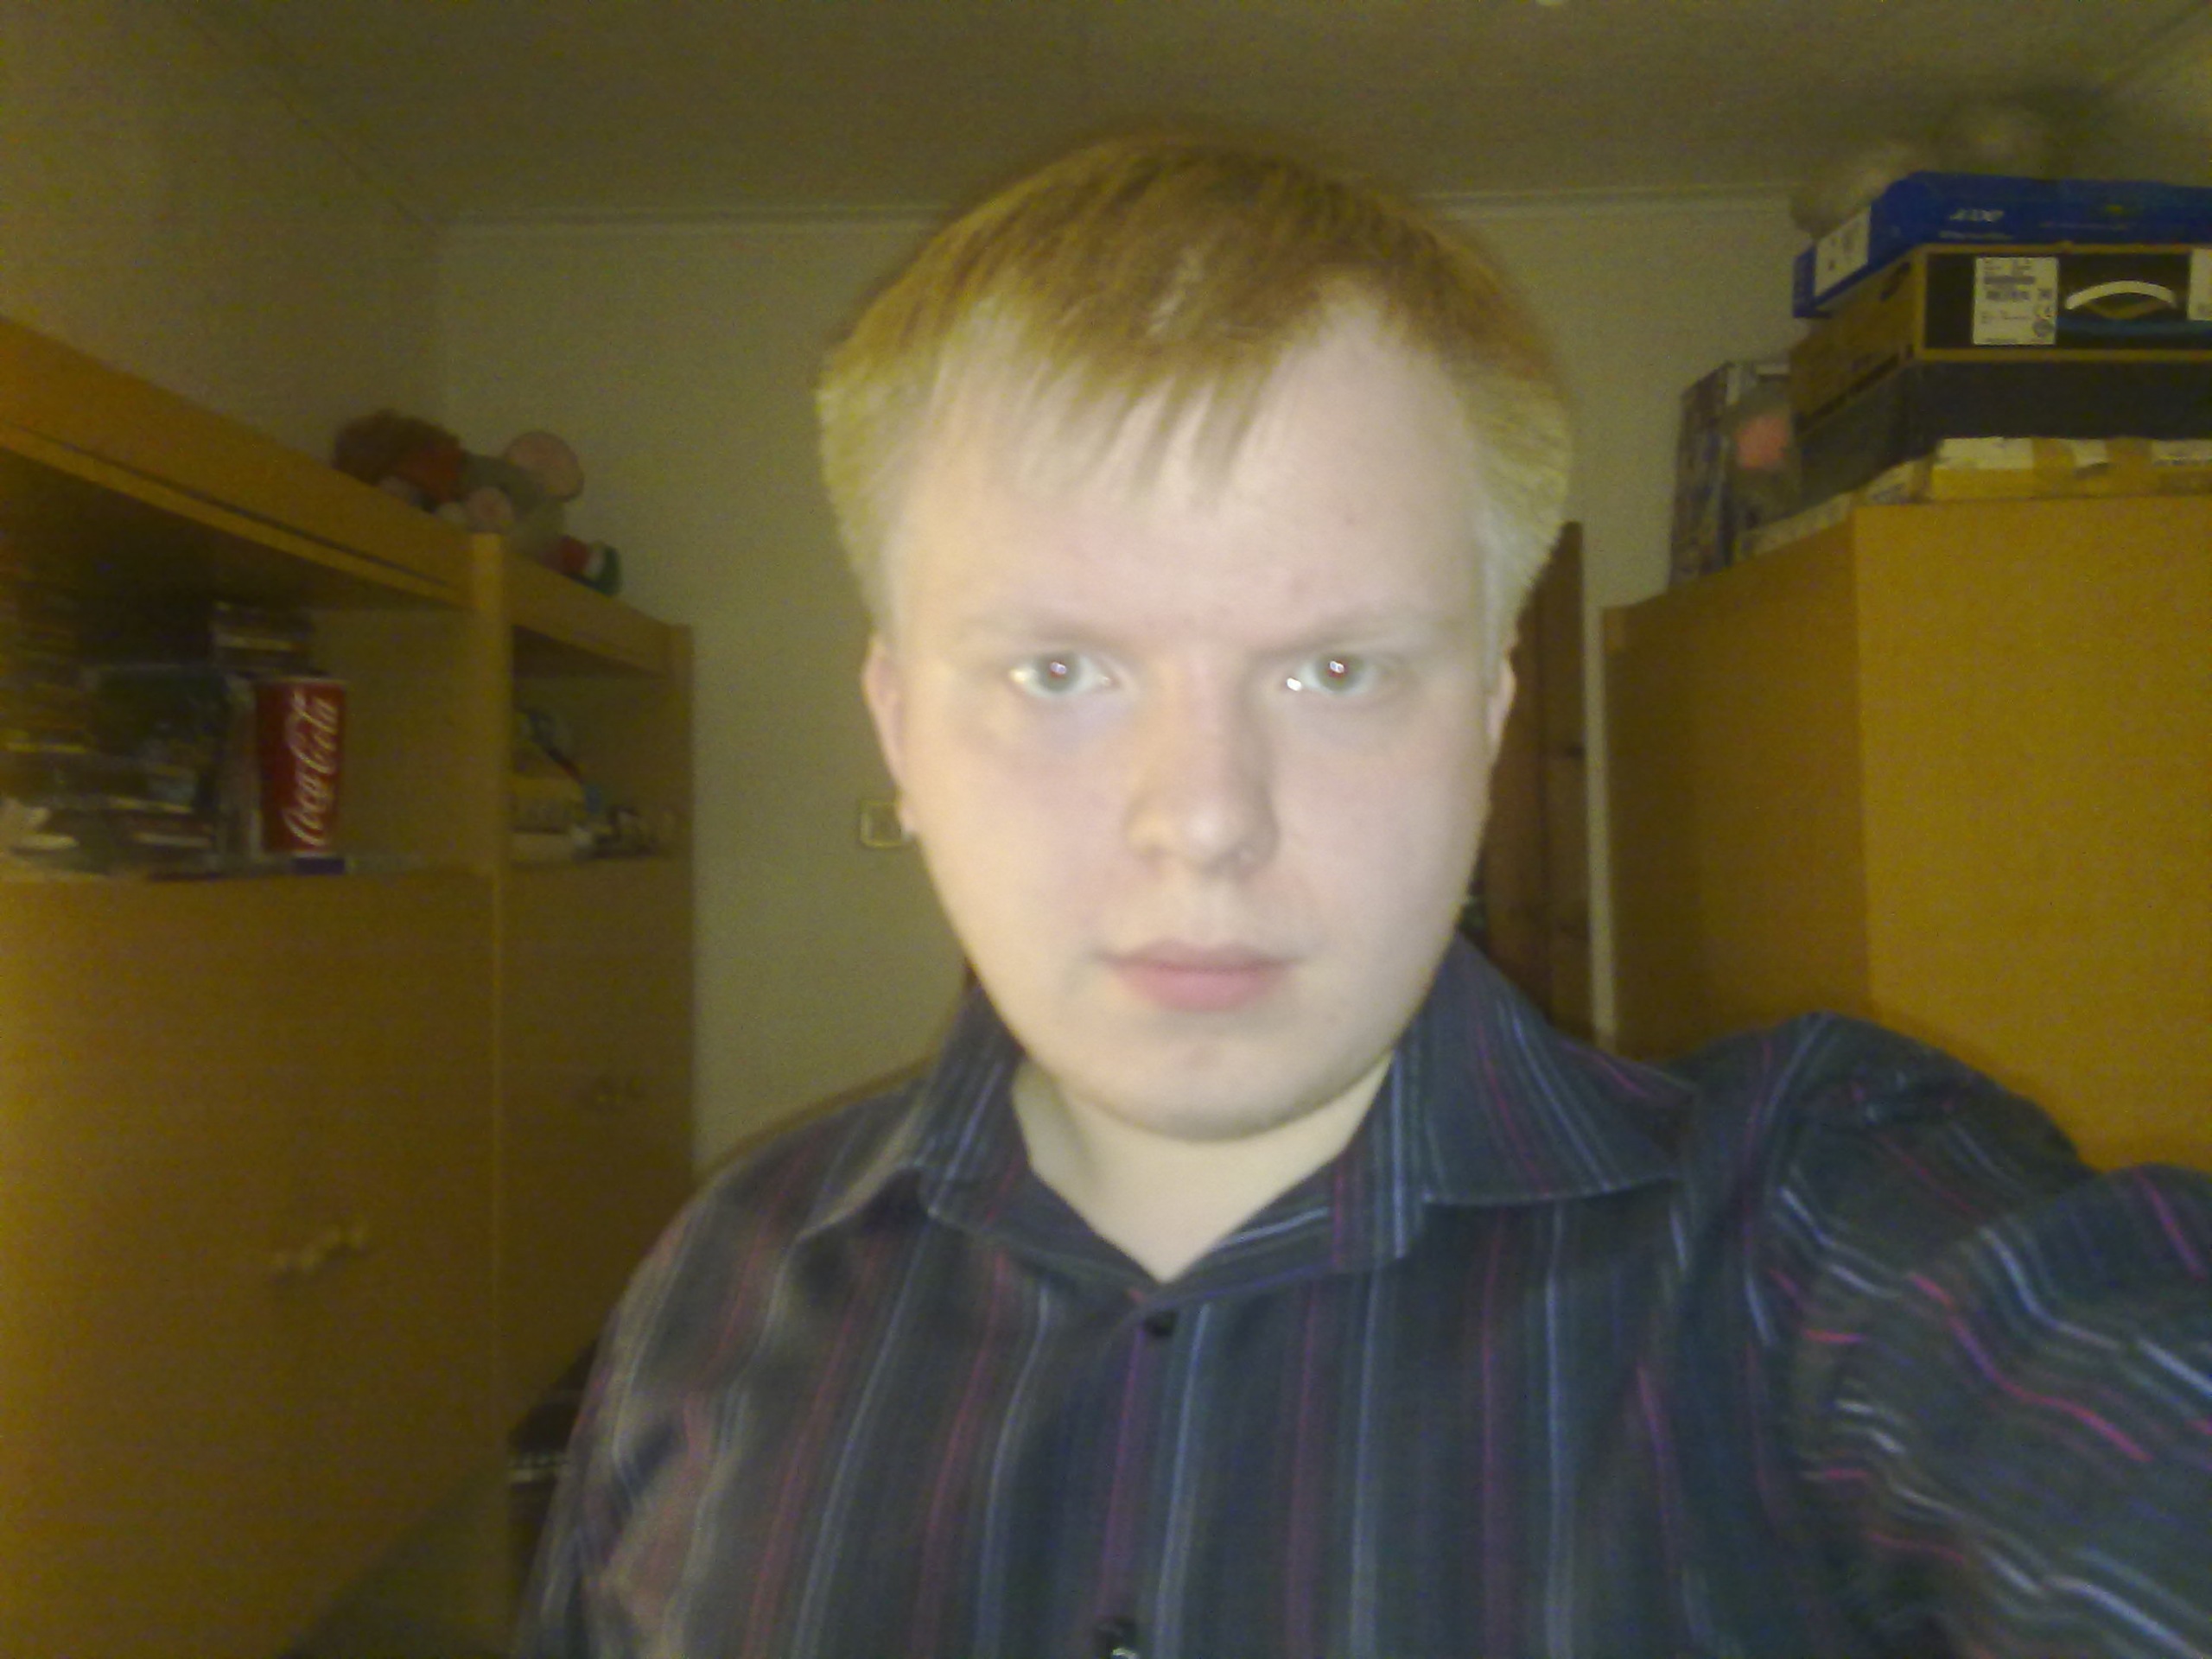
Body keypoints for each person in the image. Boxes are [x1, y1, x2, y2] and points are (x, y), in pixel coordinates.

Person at [515, 136, 2212, 1659]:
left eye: (1335, 669)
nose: (1203, 820)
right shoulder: (718, 1285)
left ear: (1486, 717)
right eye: (1056, 670)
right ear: (899, 730)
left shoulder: (1810, 1225)